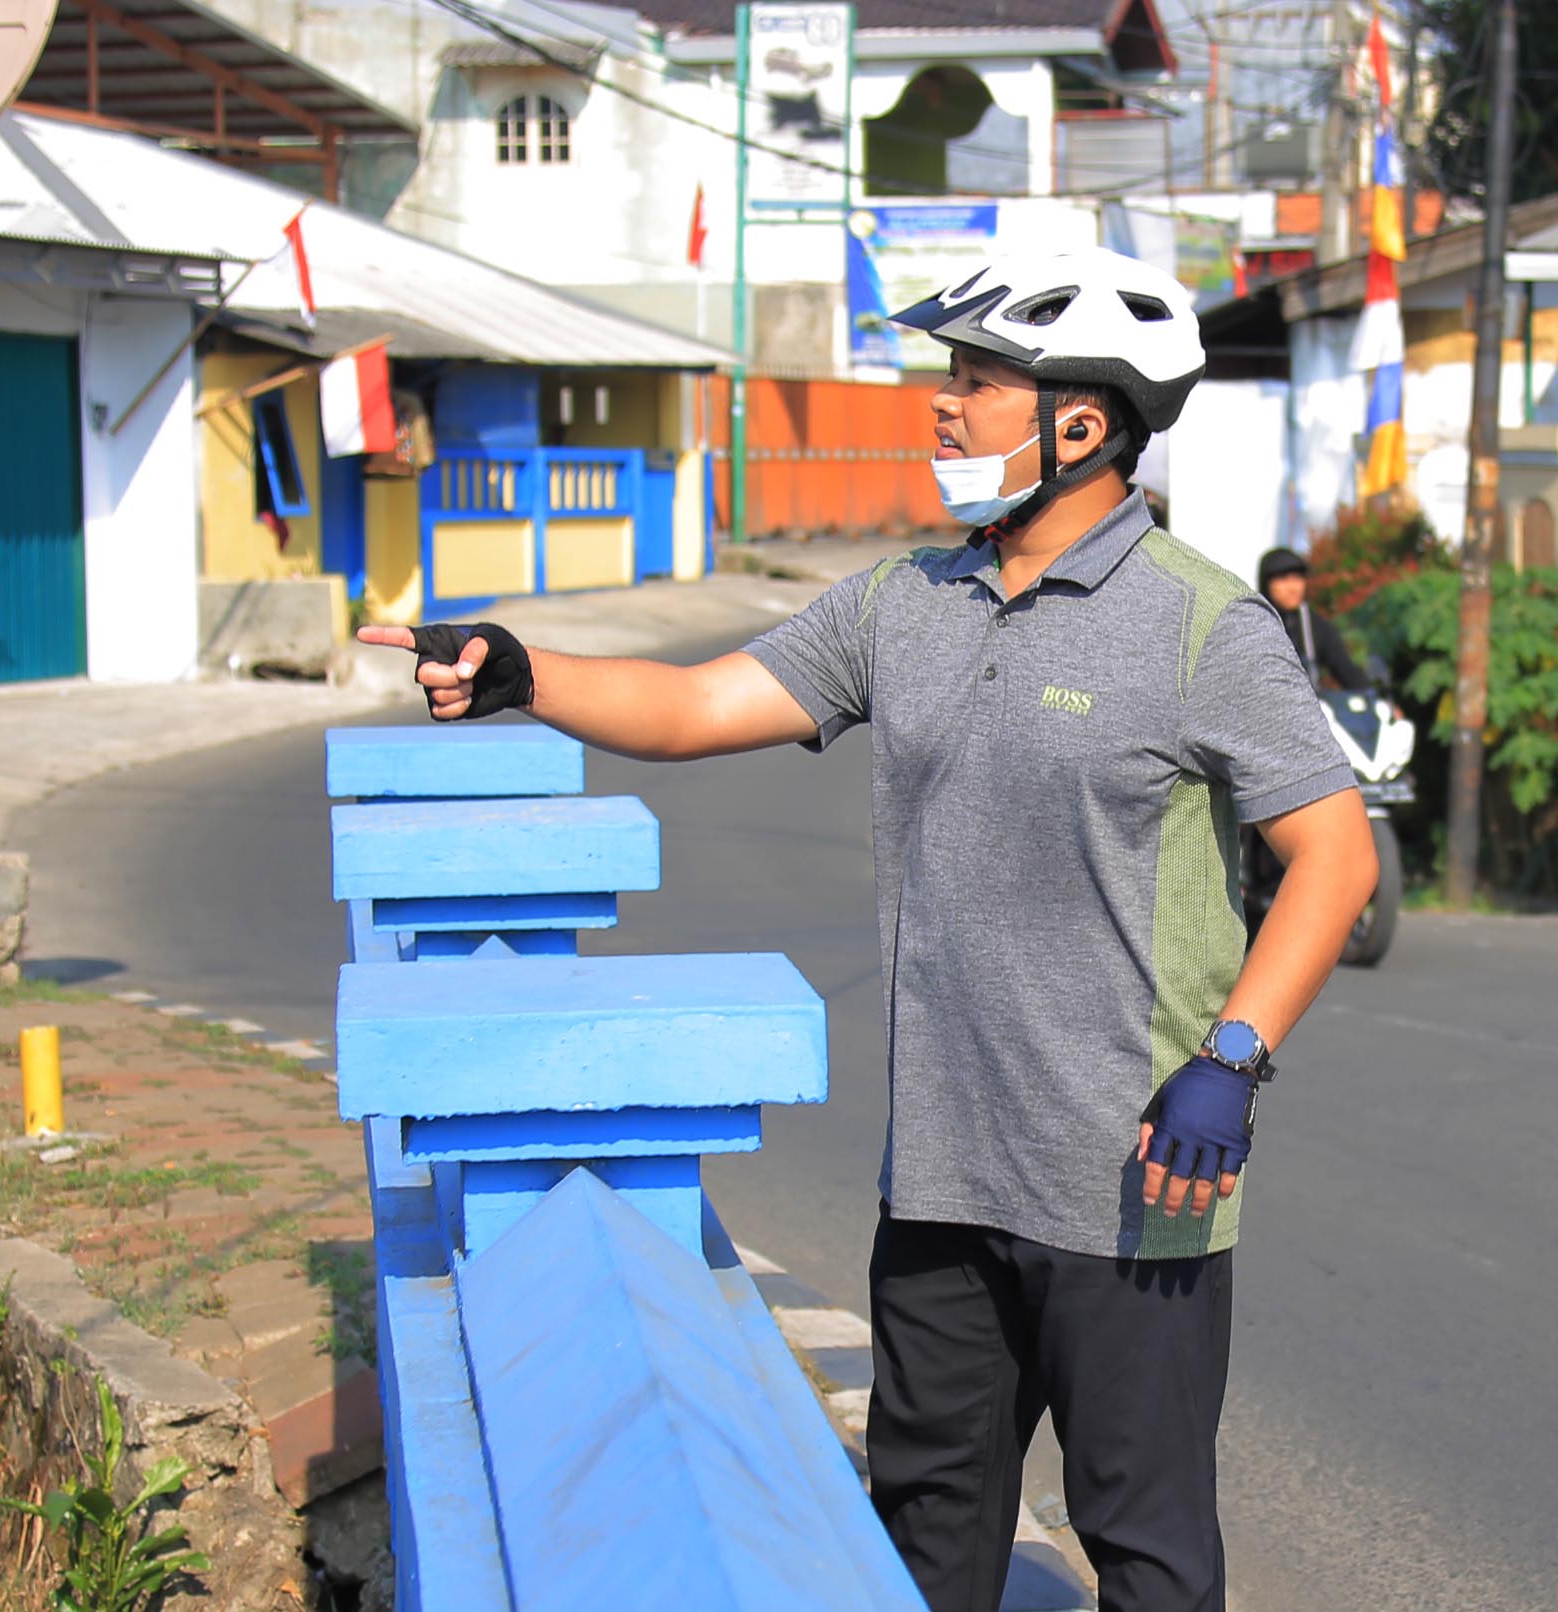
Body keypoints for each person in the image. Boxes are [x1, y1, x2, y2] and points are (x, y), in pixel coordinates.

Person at [359, 247, 1379, 1612]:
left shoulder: (1203, 624)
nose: (941, 407)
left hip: (1135, 1186)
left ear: (1081, 424)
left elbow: (1332, 856)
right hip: (943, 1180)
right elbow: (697, 705)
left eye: (977, 382)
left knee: (1145, 1555)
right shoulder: (907, 601)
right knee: (920, 1545)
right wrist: (524, 673)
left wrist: (1231, 1058)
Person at [1256, 546, 1371, 690]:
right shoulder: (1250, 626)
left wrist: (1372, 696)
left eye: (1297, 578)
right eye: (1283, 579)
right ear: (1266, 584)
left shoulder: (1316, 627)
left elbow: (1347, 672)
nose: (1293, 588)